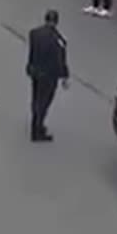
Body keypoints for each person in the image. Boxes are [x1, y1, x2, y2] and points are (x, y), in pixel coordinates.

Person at [26, 10, 70, 142]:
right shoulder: (58, 40)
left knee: (35, 98)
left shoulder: (34, 33)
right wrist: (64, 76)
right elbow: (60, 60)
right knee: (44, 102)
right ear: (56, 22)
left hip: (35, 71)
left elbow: (32, 52)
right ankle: (37, 130)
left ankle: (35, 124)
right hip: (49, 76)